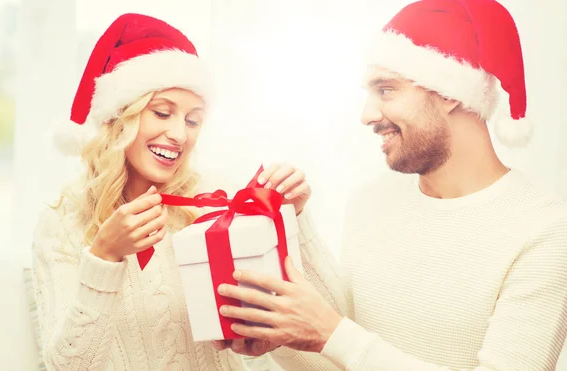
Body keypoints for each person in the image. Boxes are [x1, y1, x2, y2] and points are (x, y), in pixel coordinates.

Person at [213, 0, 567, 370]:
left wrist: (331, 335)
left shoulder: (544, 230)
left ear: (449, 92)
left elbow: (342, 340)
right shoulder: (372, 202)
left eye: (385, 90)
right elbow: (342, 358)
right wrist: (282, 334)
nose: (366, 115)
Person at [31, 13, 314, 371]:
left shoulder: (218, 202)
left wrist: (292, 220)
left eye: (192, 120)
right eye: (162, 113)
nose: (180, 135)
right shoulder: (61, 224)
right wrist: (105, 256)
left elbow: (304, 347)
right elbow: (66, 366)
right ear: (118, 118)